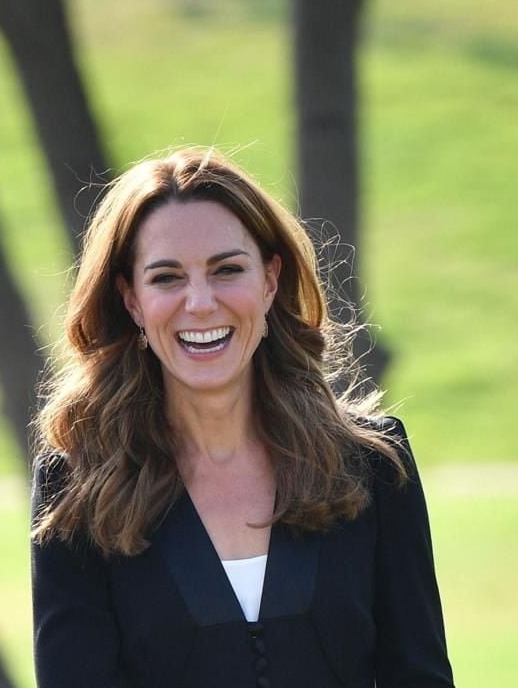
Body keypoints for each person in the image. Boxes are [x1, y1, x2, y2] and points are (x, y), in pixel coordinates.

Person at [30, 148, 454, 687]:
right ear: (132, 300)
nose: (201, 302)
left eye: (227, 269)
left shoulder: (373, 465)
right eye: (167, 278)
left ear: (270, 280)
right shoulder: (77, 490)